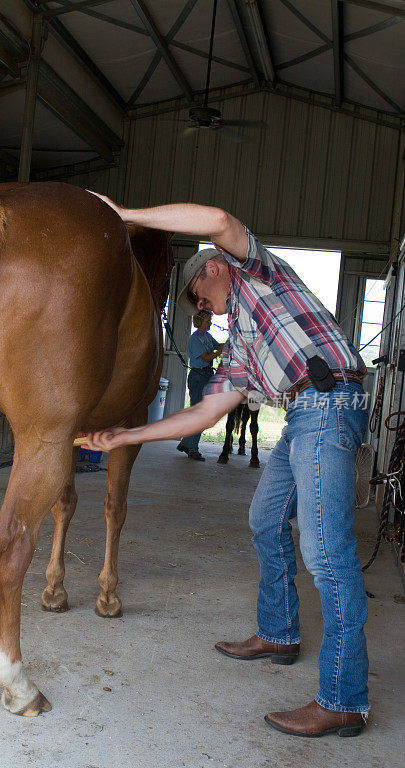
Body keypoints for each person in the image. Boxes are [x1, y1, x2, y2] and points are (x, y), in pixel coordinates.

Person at [85, 193, 370, 739]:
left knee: (327, 553)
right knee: (266, 518)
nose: (205, 309)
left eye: (200, 295)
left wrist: (125, 216)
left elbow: (217, 220)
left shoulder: (257, 271)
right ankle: (280, 632)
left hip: (330, 405)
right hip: (304, 414)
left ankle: (344, 699)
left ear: (213, 269)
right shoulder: (238, 337)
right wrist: (127, 434)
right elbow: (206, 411)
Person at [177, 310, 223, 461]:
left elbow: (219, 346)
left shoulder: (207, 336)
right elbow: (207, 357)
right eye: (207, 321)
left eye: (210, 320)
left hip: (207, 375)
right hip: (199, 376)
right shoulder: (195, 339)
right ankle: (192, 449)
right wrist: (219, 352)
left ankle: (186, 443)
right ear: (200, 322)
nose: (210, 323)